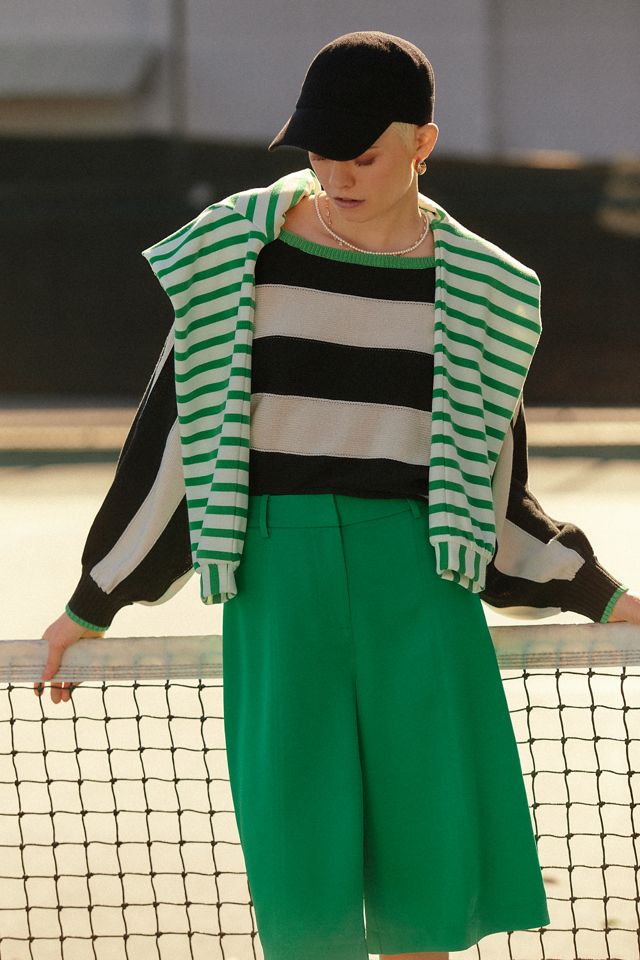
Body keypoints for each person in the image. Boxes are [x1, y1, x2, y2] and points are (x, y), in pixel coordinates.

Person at [36, 30, 639, 960]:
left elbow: (493, 495)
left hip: (422, 593)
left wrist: (599, 593)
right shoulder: (236, 257)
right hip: (278, 589)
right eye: (322, 151)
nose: (337, 173)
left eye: (363, 154)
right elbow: (172, 450)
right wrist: (93, 602)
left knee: (425, 898)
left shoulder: (485, 290)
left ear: (423, 143)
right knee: (305, 904)